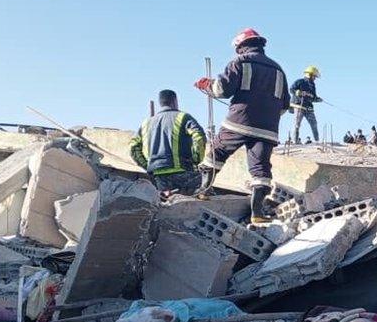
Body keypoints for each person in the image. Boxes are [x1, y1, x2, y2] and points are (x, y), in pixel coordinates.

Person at [195, 28, 290, 223]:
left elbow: (222, 89)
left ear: (240, 46)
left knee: (216, 153)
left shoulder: (240, 62)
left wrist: (206, 85)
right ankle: (258, 213)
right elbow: (285, 105)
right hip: (268, 129)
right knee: (260, 169)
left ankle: (204, 191)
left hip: (239, 122)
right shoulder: (279, 69)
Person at [128, 90, 207, 195]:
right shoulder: (183, 117)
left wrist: (147, 166)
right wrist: (197, 159)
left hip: (158, 177)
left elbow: (133, 147)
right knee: (206, 187)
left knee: (167, 202)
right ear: (175, 101)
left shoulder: (146, 123)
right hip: (183, 172)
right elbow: (199, 137)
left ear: (160, 103)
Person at [290, 66, 322, 143]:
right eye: (314, 76)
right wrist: (298, 92)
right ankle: (295, 141)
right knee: (297, 124)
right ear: (309, 75)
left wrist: (317, 99)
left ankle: (317, 141)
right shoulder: (299, 82)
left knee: (314, 124)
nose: (315, 78)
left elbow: (313, 96)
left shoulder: (312, 85)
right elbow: (291, 89)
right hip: (299, 105)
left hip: (308, 107)